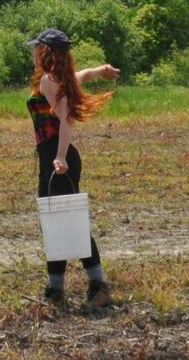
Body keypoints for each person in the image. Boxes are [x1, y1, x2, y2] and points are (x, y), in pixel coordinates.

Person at [26, 28, 120, 308]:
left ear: (46, 52)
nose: (34, 52)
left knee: (69, 223)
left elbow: (65, 119)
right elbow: (83, 76)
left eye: (37, 47)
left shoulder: (47, 81)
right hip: (52, 158)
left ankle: (98, 287)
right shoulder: (59, 80)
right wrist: (101, 70)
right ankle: (55, 290)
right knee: (54, 223)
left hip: (57, 157)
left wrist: (61, 157)